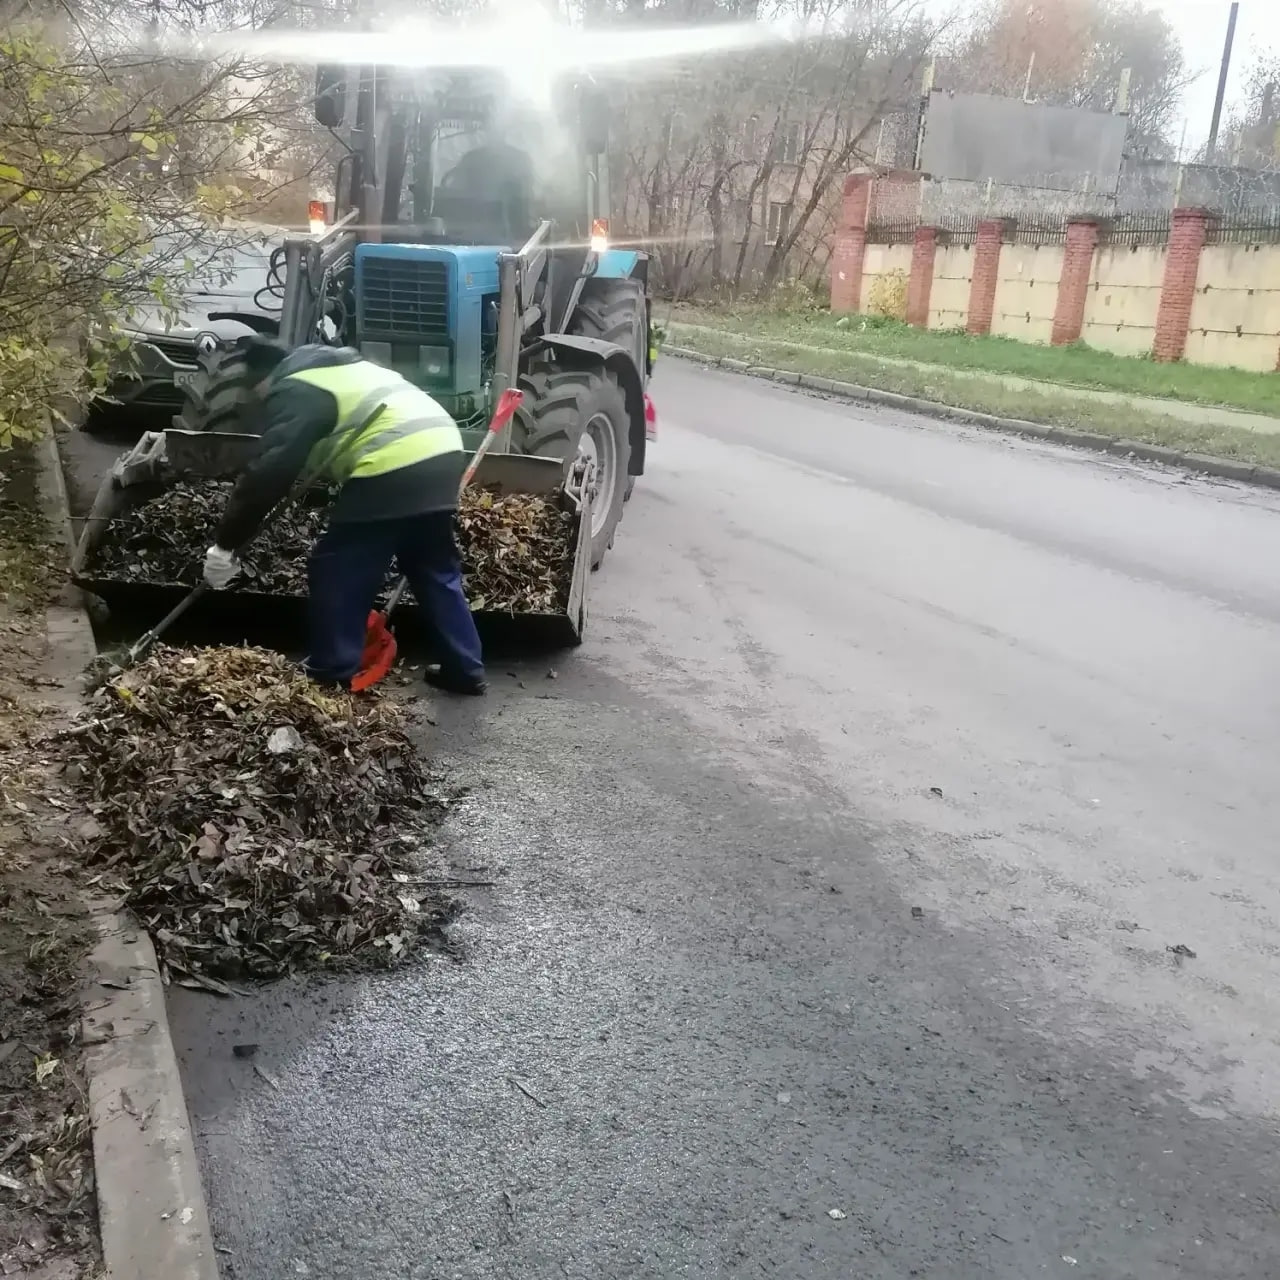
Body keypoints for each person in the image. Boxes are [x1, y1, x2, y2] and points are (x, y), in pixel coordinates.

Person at [202, 336, 487, 695]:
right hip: (443, 449)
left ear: (264, 380)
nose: (263, 405)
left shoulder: (295, 387)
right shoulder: (343, 370)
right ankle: (465, 668)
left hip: (393, 460)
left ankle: (331, 671)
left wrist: (226, 543)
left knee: (338, 566)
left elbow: (272, 469)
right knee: (433, 568)